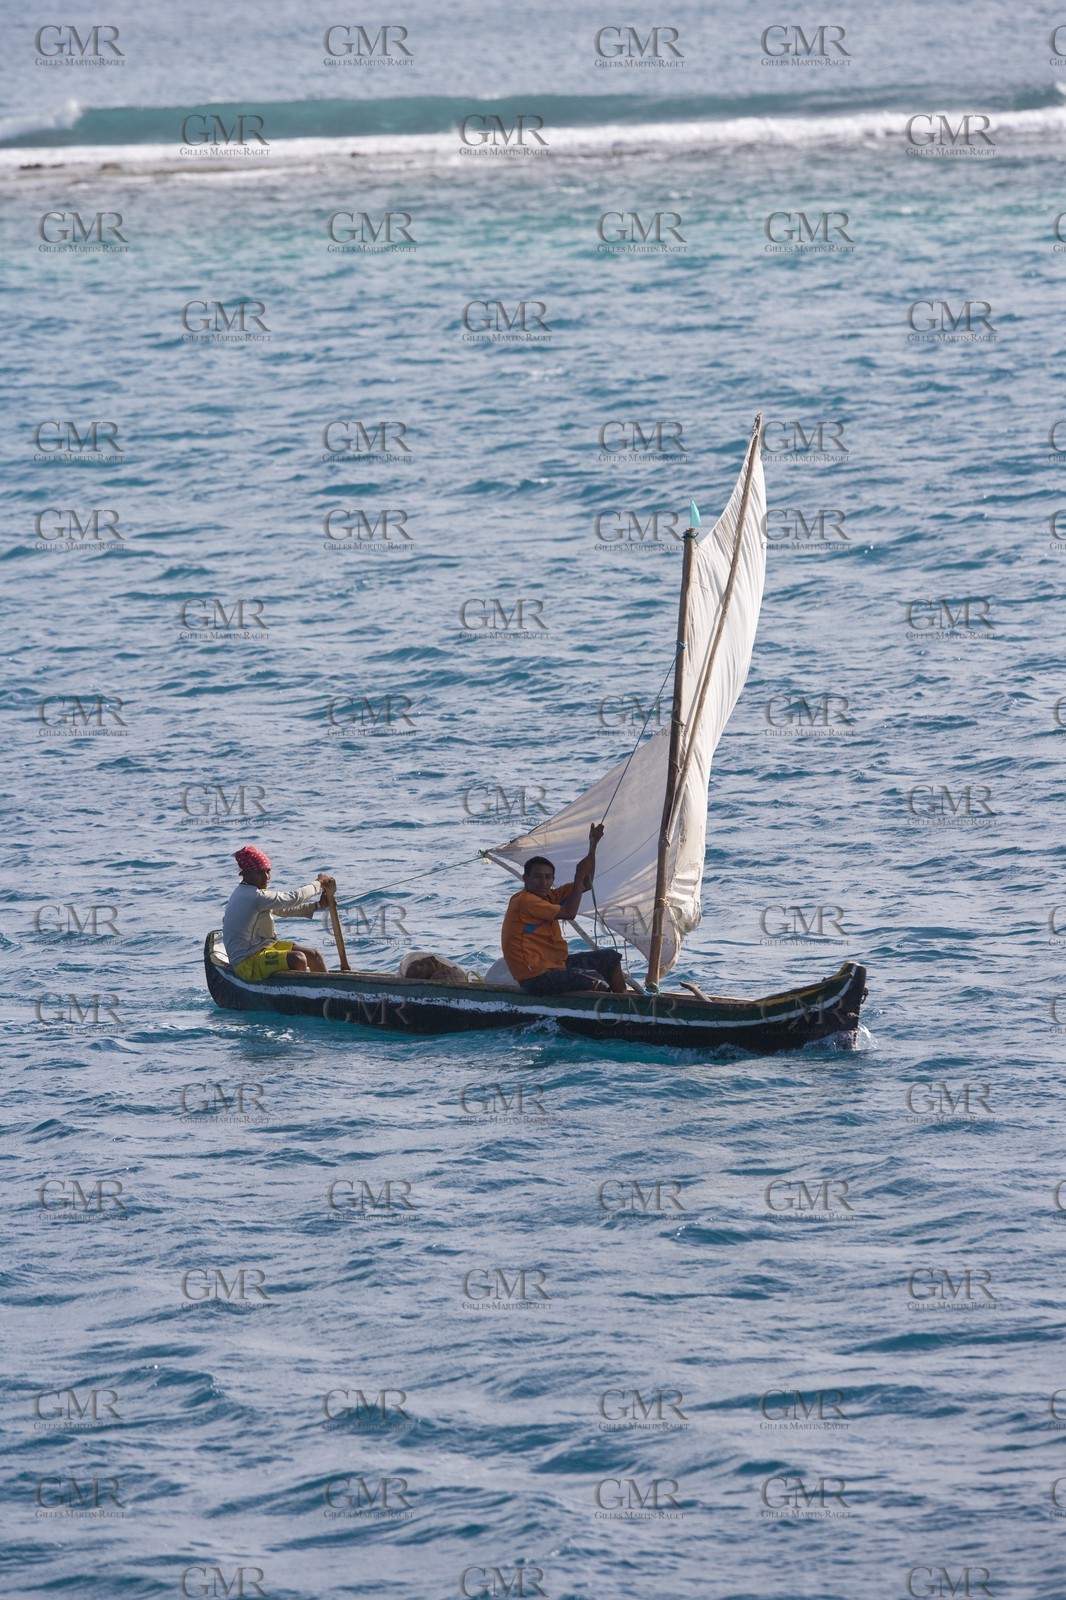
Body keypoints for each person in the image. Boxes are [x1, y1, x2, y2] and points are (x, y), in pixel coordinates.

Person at [501, 824, 632, 995]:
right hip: (535, 977)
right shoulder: (525, 901)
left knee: (610, 958)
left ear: (552, 879)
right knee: (594, 980)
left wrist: (593, 846)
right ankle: (614, 1012)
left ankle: (626, 1003)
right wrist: (578, 876)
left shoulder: (548, 896)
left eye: (548, 878)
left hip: (556, 965)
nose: (544, 882)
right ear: (526, 879)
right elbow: (569, 913)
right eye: (537, 877)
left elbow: (586, 883)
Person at [222, 846, 335, 981]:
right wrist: (318, 884)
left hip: (264, 947)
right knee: (298, 959)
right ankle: (304, 997)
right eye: (259, 872)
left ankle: (326, 994)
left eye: (268, 871)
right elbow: (292, 898)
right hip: (247, 962)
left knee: (314, 955)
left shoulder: (253, 893)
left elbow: (283, 911)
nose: (265, 877)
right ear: (246, 874)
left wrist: (318, 906)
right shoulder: (255, 896)